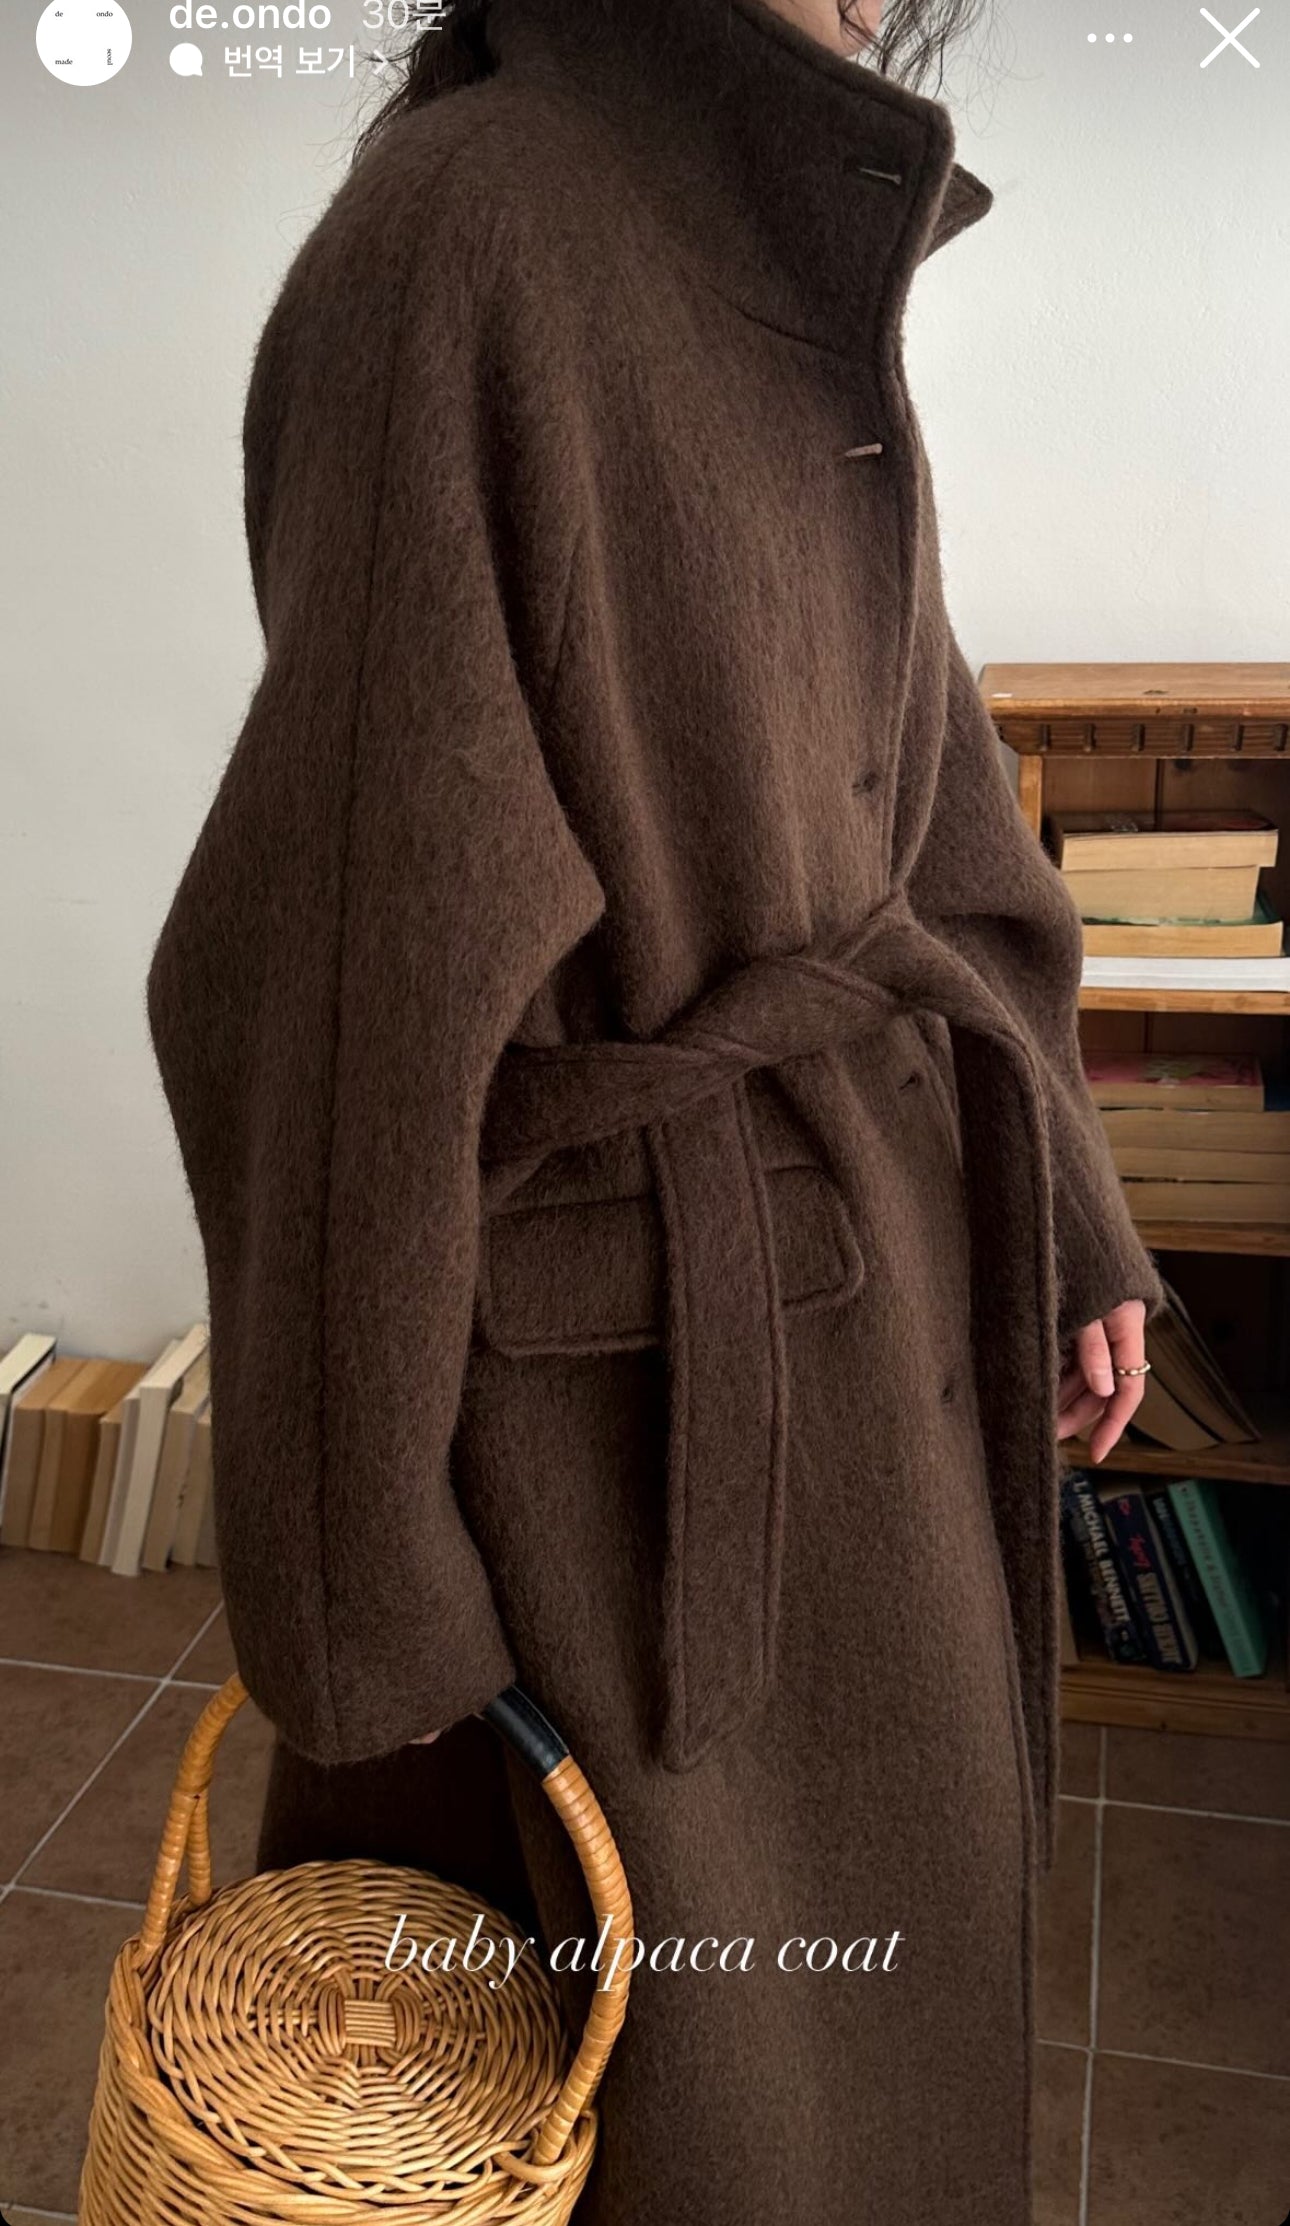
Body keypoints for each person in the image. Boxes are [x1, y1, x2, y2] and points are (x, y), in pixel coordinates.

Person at [144, 0, 1164, 2216]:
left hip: (873, 1294)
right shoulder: (472, 232)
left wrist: (1070, 1200)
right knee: (670, 2112)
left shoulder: (791, 221)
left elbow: (925, 778)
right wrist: (360, 1600)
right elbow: (323, 982)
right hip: (629, 1435)